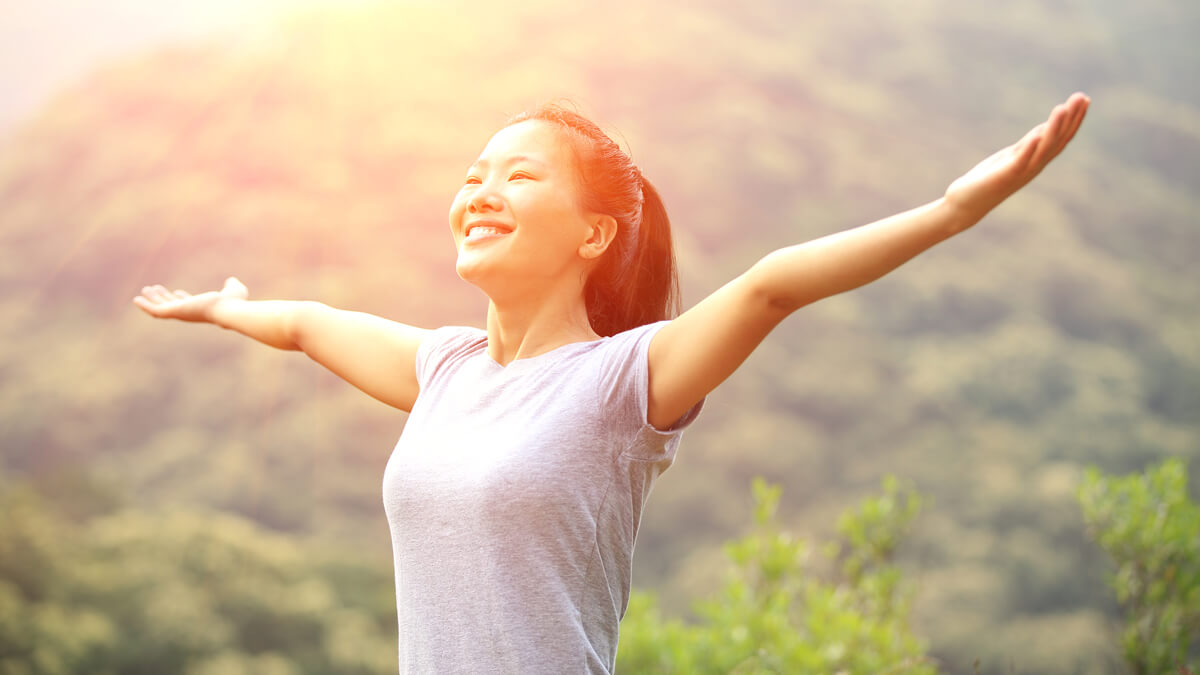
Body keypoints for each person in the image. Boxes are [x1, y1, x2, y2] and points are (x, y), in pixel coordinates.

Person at [134, 93, 1090, 673]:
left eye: (519, 176)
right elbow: (306, 325)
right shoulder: (444, 370)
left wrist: (955, 210)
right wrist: (223, 308)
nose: (480, 192)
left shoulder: (623, 381)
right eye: (473, 175)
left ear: (593, 234)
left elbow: (769, 287)